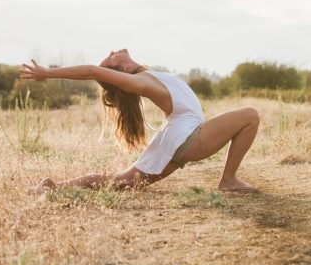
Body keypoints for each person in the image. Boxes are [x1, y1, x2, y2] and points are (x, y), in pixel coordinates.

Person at [19, 49, 260, 193]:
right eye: (110, 57)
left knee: (123, 182)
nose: (113, 51)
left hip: (174, 136)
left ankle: (55, 187)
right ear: (120, 69)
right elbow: (93, 71)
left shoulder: (146, 76)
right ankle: (228, 179)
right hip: (188, 137)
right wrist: (47, 73)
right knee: (250, 115)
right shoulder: (140, 81)